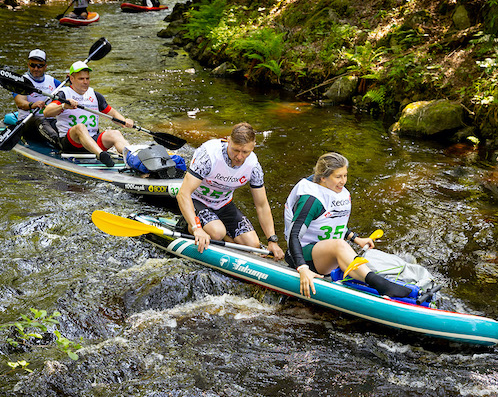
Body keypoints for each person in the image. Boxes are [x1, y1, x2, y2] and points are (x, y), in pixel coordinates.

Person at [284, 152, 413, 299]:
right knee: (339, 245)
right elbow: (294, 235)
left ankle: (376, 281)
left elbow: (329, 222)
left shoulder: (334, 191)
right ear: (323, 177)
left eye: (345, 175)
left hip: (325, 252)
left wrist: (356, 239)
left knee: (342, 246)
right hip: (302, 255)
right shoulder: (311, 200)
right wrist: (302, 268)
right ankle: (381, 285)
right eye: (338, 177)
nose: (343, 181)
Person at [176, 122, 285, 260]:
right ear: (228, 141)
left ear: (253, 146)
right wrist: (196, 227)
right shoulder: (209, 157)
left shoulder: (254, 166)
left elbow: (262, 205)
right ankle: (188, 225)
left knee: (253, 244)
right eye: (235, 150)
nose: (239, 157)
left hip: (223, 204)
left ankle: (224, 236)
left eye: (245, 152)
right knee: (217, 232)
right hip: (197, 200)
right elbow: (183, 194)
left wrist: (272, 240)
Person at [43, 61, 135, 168]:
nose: (85, 82)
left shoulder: (95, 95)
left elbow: (112, 114)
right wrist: (64, 106)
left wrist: (125, 121)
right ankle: (101, 155)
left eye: (87, 78)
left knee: (115, 133)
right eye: (81, 79)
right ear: (72, 79)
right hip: (71, 143)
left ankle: (134, 158)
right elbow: (47, 112)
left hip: (92, 140)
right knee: (80, 127)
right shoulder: (63, 93)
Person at [12, 49, 60, 147]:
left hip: (49, 121)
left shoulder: (53, 82)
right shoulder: (21, 81)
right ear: (28, 65)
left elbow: (69, 94)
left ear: (45, 66)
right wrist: (32, 105)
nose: (36, 69)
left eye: (39, 66)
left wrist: (73, 80)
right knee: (40, 120)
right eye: (32, 65)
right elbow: (20, 102)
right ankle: (58, 144)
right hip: (27, 122)